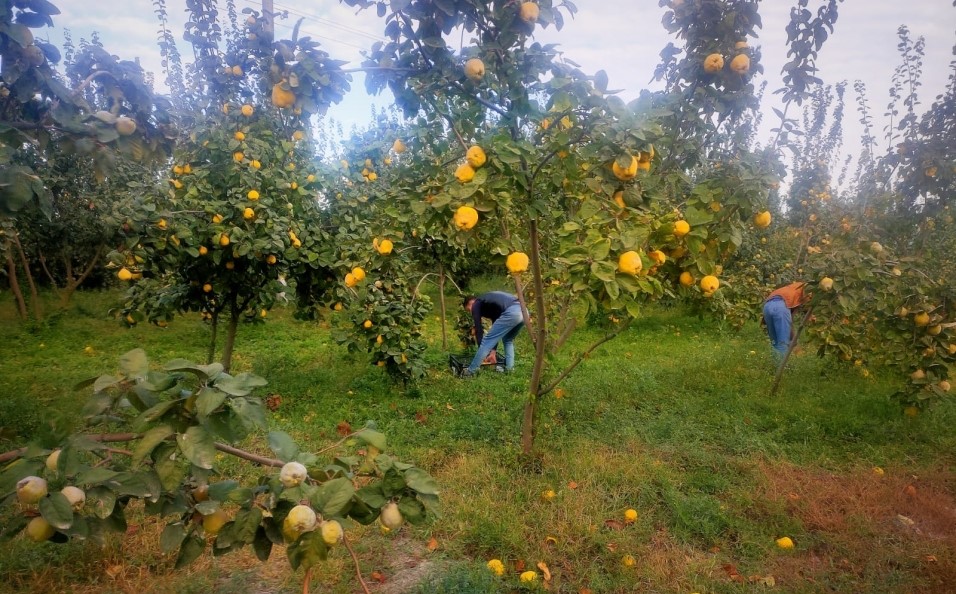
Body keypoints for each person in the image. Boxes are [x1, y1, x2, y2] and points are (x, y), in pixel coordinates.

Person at [461, 291, 525, 376]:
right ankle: (510, 370)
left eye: (469, 310)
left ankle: (470, 371)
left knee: (486, 341)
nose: (471, 312)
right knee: (508, 340)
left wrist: (481, 348)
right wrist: (493, 351)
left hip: (512, 312)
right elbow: (496, 324)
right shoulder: (490, 304)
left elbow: (478, 330)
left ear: (471, 303)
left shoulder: (476, 304)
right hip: (523, 311)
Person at [762, 281, 810, 360]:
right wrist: (794, 340)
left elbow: (790, 322)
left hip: (767, 306)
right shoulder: (804, 289)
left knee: (774, 342)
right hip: (781, 307)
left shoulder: (791, 290)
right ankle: (782, 366)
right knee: (783, 343)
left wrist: (793, 339)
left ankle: (774, 364)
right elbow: (790, 321)